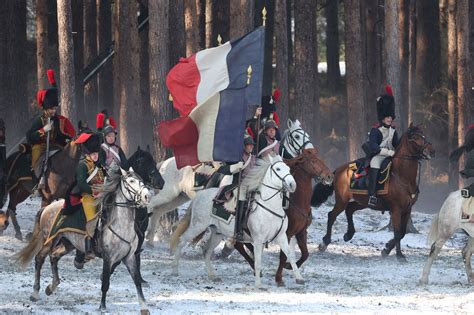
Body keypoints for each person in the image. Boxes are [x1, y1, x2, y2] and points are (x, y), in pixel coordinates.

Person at [26, 69, 75, 177]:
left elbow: (60, 135)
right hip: (41, 146)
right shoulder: (39, 120)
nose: (53, 111)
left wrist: (68, 140)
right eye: (51, 109)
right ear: (45, 109)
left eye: (55, 108)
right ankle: (37, 182)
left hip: (54, 146)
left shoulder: (57, 120)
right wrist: (43, 130)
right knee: (37, 158)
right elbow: (29, 136)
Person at [363, 85, 400, 206]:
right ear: (382, 118)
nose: (389, 119)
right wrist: (388, 152)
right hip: (378, 155)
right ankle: (372, 195)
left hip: (392, 156)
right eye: (387, 117)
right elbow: (374, 146)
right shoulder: (375, 130)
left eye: (390, 117)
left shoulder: (394, 131)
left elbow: (396, 144)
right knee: (375, 163)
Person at [70, 132, 105, 260]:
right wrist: (94, 192)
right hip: (88, 197)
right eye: (93, 154)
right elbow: (81, 183)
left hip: (102, 195)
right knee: (92, 219)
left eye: (96, 154)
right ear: (88, 153)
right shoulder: (82, 165)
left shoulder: (99, 165)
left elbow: (105, 177)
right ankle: (88, 249)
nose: (96, 156)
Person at [215, 133, 256, 241]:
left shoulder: (254, 158)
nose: (251, 147)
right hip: (239, 184)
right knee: (242, 197)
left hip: (252, 185)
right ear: (243, 146)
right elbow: (222, 169)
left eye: (252, 145)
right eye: (248, 145)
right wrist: (235, 167)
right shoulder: (237, 157)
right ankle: (238, 231)